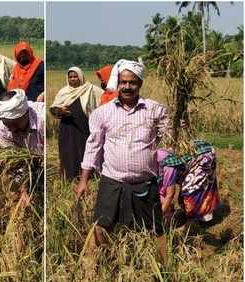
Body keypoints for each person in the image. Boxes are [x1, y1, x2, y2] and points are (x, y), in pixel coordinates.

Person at [74, 59, 169, 267]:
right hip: (112, 181)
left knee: (155, 228)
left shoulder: (156, 110)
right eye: (123, 82)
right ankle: (92, 270)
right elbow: (93, 147)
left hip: (145, 183)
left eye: (132, 82)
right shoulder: (103, 113)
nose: (127, 87)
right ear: (117, 83)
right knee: (101, 226)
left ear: (140, 84)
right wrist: (84, 181)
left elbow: (170, 139)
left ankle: (161, 270)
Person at [50, 67, 103, 180]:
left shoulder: (90, 89)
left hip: (84, 126)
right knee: (68, 151)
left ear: (81, 77)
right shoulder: (63, 92)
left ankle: (88, 177)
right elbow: (53, 108)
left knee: (85, 150)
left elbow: (105, 98)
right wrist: (60, 111)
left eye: (75, 76)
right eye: (70, 77)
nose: (73, 79)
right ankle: (69, 177)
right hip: (67, 127)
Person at [157, 140, 220, 223]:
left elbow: (170, 195)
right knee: (186, 193)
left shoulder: (168, 166)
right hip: (194, 155)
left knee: (189, 189)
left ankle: (194, 221)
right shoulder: (154, 165)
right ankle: (200, 215)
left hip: (203, 156)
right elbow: (162, 192)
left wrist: (159, 216)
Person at [0, 89, 44, 153]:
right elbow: (11, 154)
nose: (12, 129)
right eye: (8, 125)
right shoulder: (2, 129)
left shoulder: (42, 119)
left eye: (15, 124)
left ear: (25, 114)